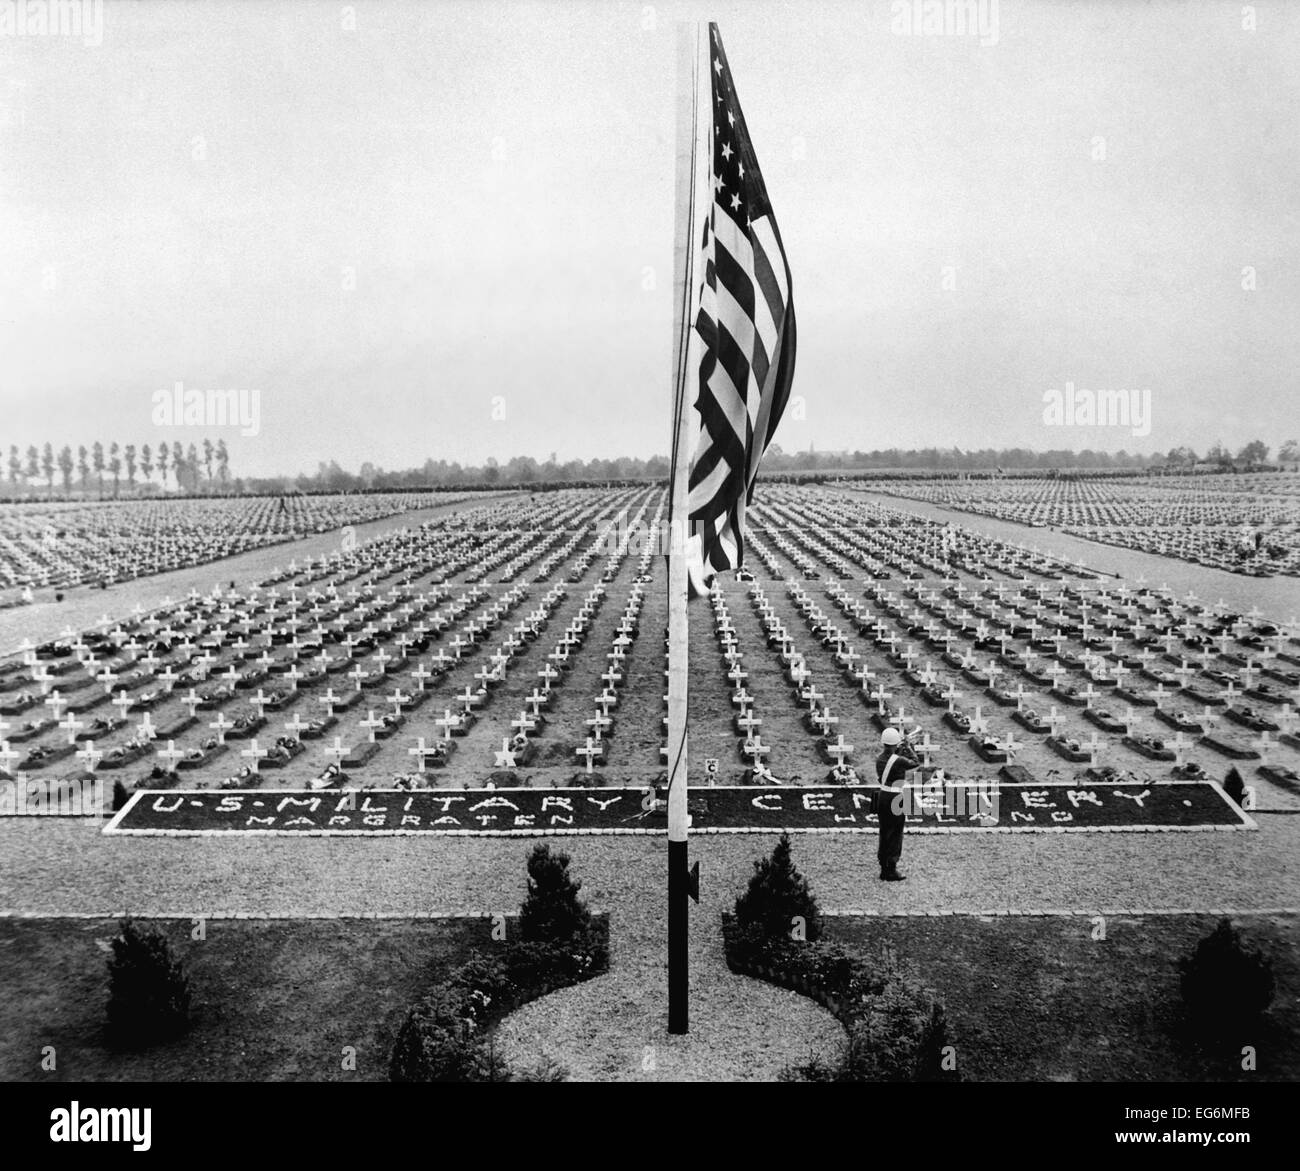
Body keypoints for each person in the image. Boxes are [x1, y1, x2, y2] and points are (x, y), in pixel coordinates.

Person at [875, 726, 921, 881]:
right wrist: (908, 746)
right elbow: (915, 762)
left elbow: (893, 763)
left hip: (882, 796)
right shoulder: (899, 759)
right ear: (896, 743)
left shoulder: (880, 759)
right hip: (896, 797)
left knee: (885, 831)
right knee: (896, 833)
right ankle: (892, 869)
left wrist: (900, 749)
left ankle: (883, 867)